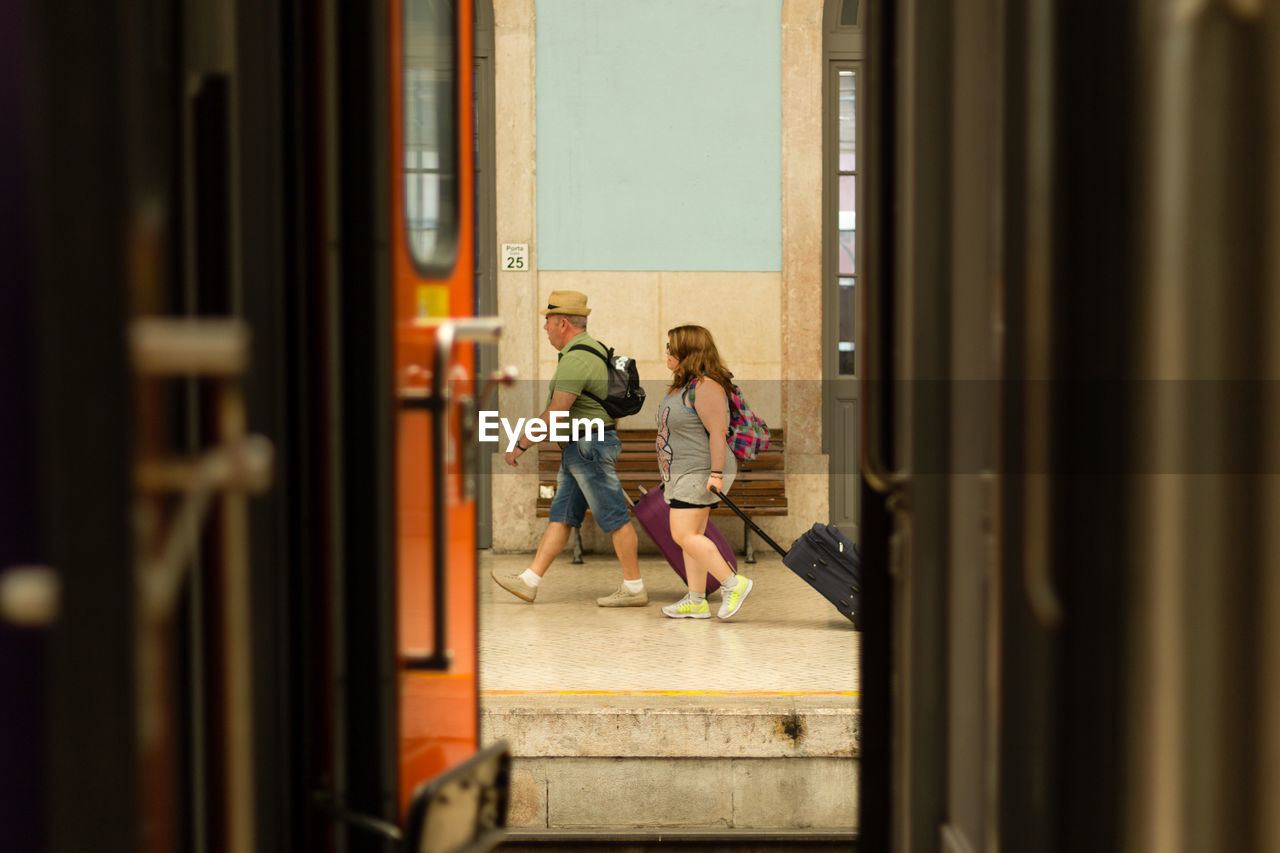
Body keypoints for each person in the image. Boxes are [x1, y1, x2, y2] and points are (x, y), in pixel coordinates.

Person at [491, 290, 646, 606]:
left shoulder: (576, 359)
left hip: (588, 447)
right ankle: (530, 581)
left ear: (562, 323)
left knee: (615, 516)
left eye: (547, 320)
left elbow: (555, 413)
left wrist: (520, 444)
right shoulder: (595, 350)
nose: (545, 327)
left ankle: (634, 587)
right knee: (562, 516)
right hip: (582, 447)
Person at [656, 325, 754, 620]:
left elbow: (717, 433)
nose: (666, 352)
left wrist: (715, 473)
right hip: (682, 472)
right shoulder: (684, 386)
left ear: (687, 352)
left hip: (700, 471)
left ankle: (733, 583)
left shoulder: (706, 386)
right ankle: (696, 599)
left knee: (683, 534)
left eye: (671, 347)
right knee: (692, 535)